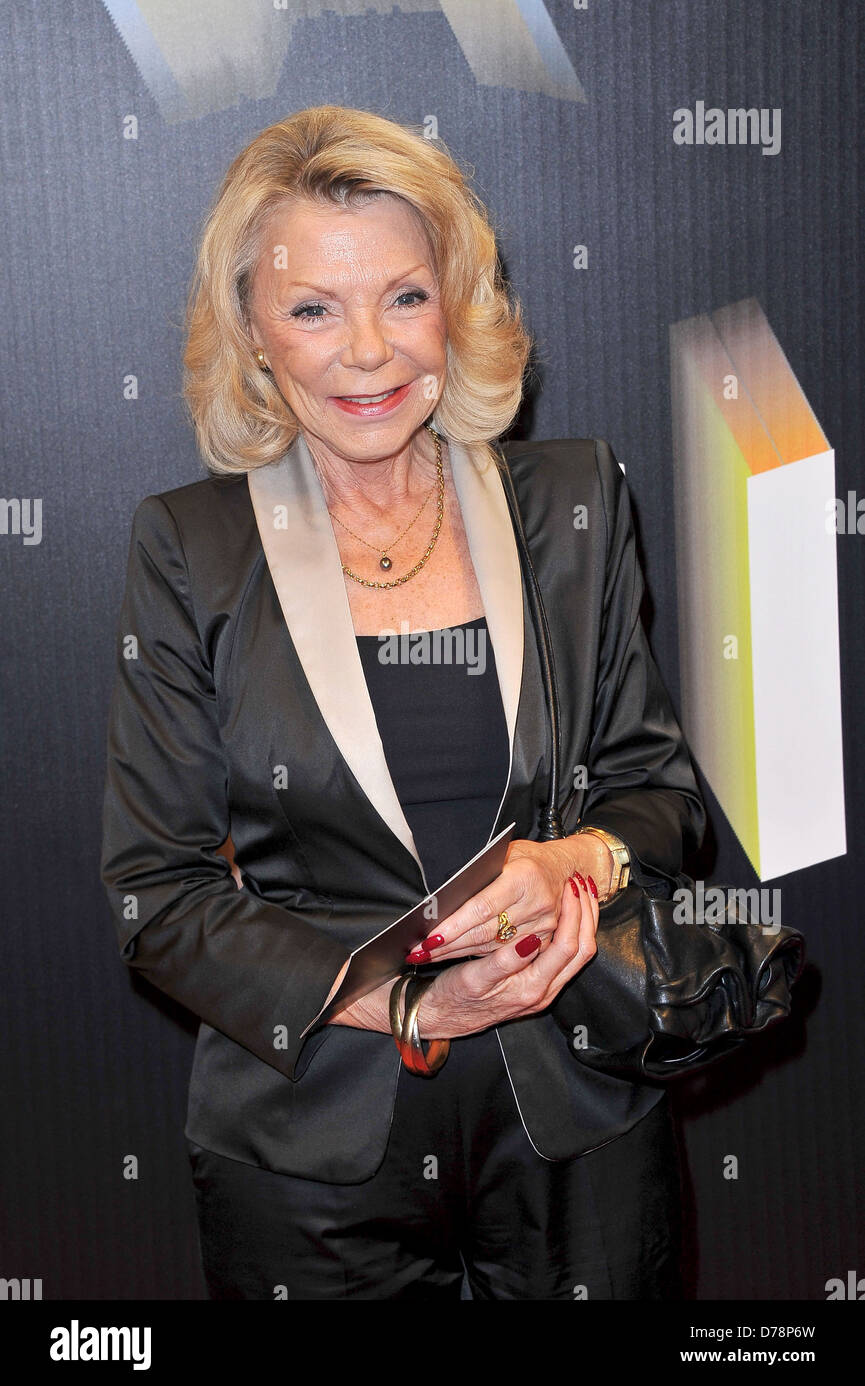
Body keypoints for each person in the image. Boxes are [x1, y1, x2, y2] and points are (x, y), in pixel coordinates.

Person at [100, 104, 705, 1301]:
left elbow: (663, 800)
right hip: (310, 1151)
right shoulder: (193, 545)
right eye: (313, 307)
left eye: (405, 297)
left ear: (457, 305)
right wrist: (406, 999)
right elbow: (156, 896)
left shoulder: (573, 501)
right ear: (255, 334)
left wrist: (573, 858)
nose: (368, 351)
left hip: (578, 1120)